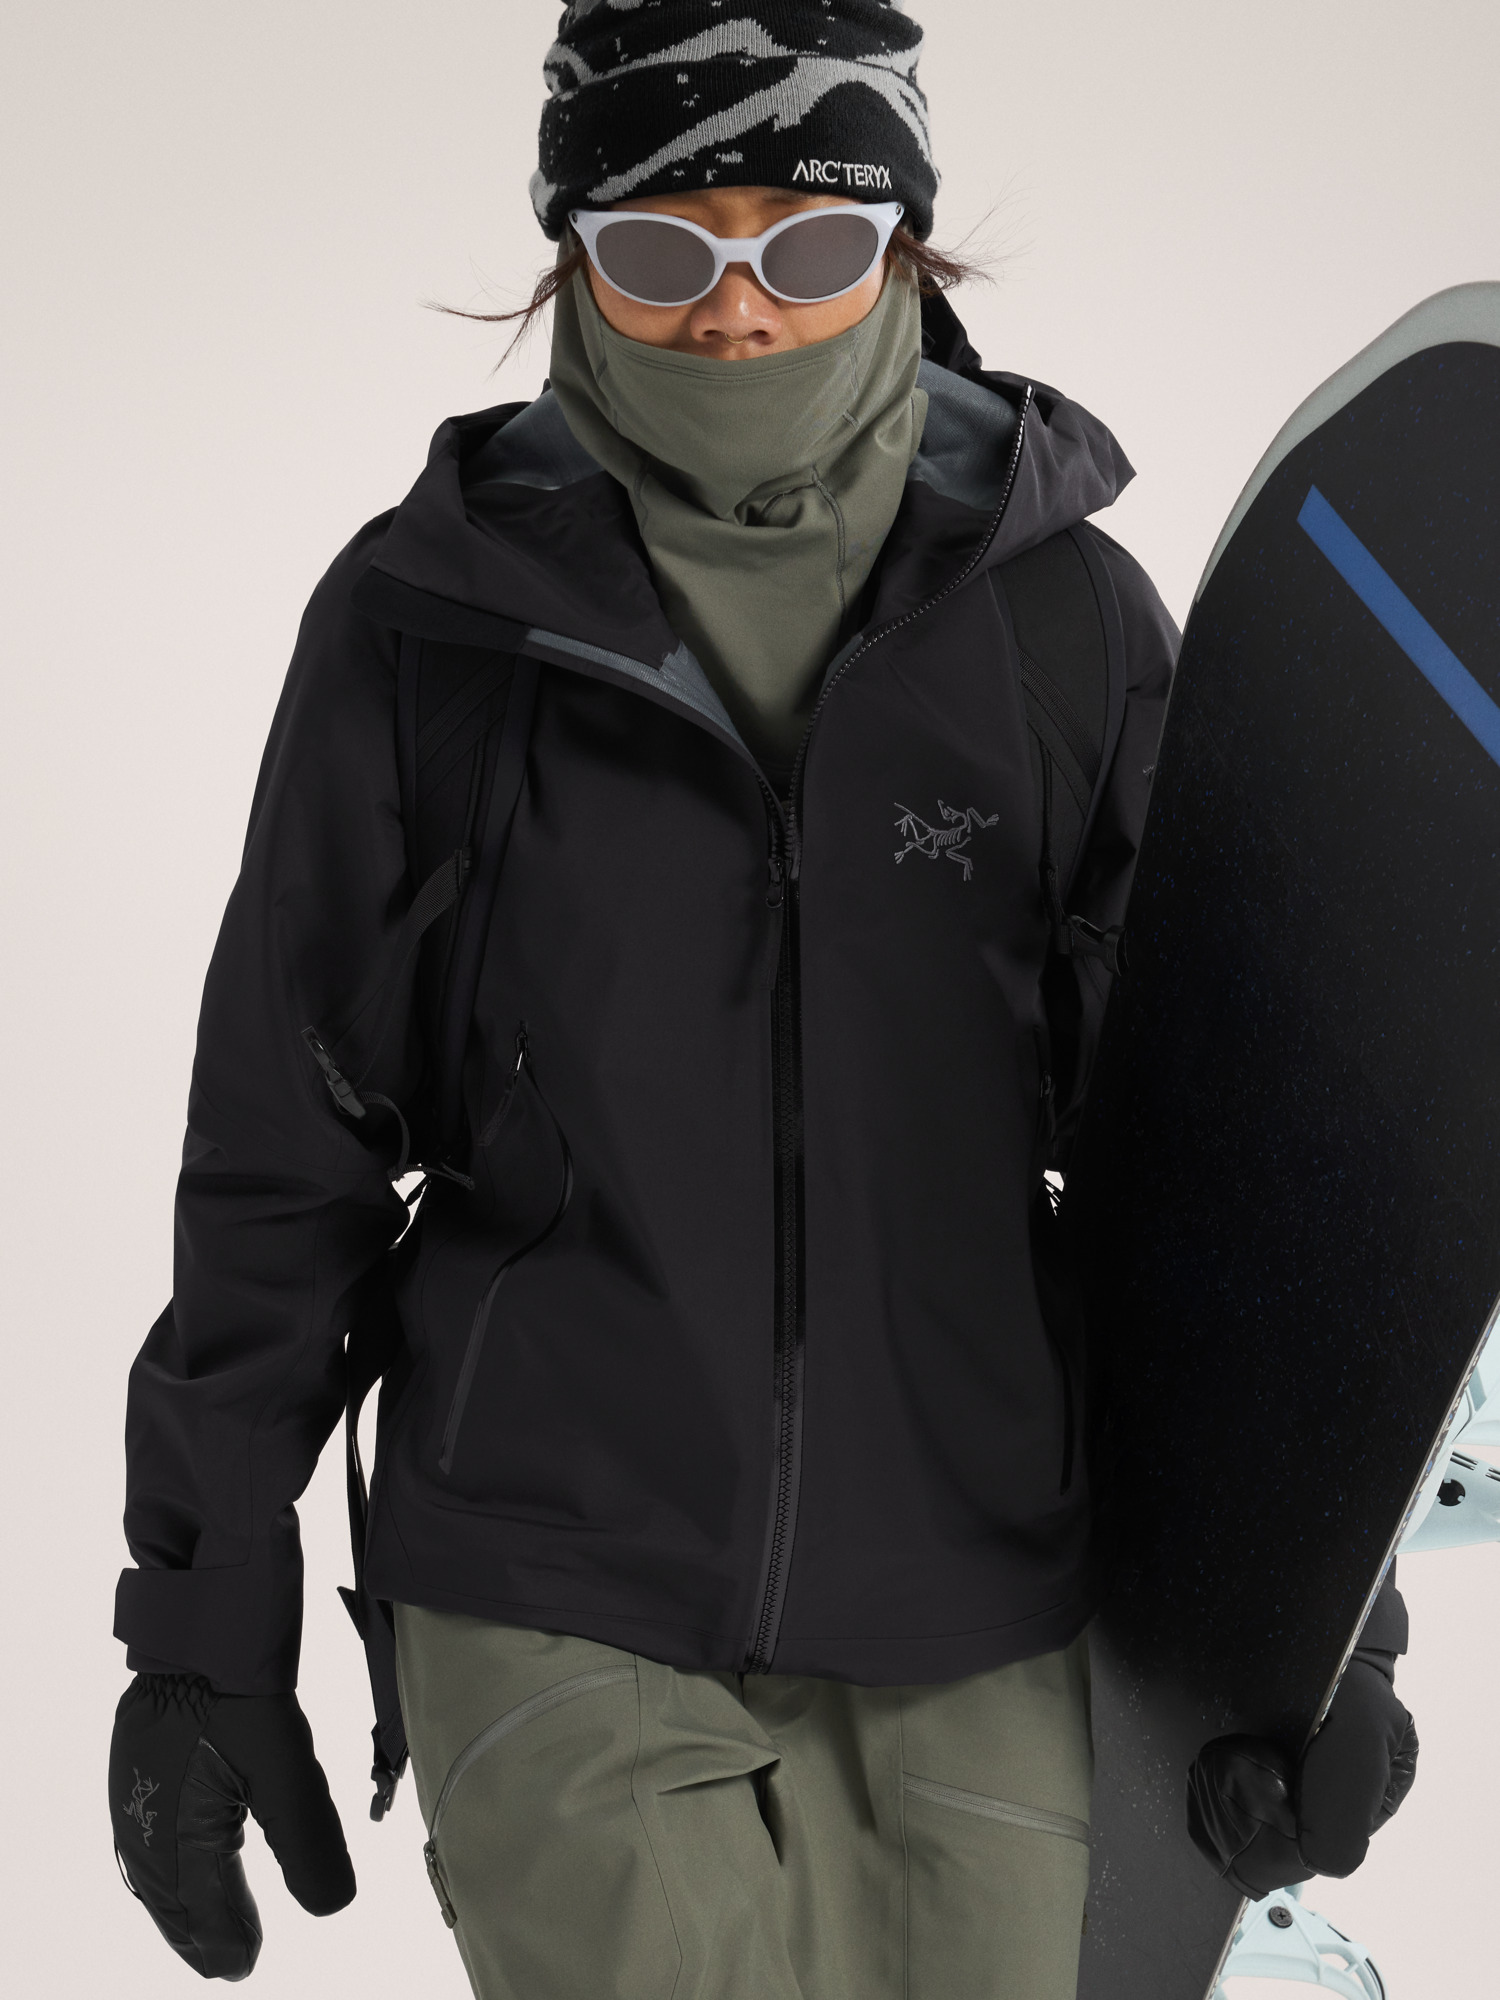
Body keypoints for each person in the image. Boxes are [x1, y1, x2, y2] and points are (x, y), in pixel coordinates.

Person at [108, 5, 1417, 1995]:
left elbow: (1214, 1179)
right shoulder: (426, 631)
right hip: (549, 1565)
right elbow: (284, 1152)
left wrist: (1324, 1631)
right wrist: (204, 1627)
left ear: (902, 249)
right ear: (570, 254)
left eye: (806, 247)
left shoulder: (1065, 624)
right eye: (661, 248)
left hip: (981, 1580)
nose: (734, 313)